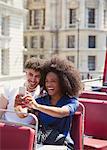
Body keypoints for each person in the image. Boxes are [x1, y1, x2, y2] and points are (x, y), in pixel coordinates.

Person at [15, 56, 83, 149]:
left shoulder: (71, 101)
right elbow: (23, 114)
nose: (49, 84)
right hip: (41, 143)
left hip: (62, 145)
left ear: (63, 82)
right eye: (46, 81)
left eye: (53, 81)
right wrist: (17, 106)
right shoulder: (41, 100)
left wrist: (37, 106)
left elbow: (61, 112)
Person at [0, 57, 44, 124]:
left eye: (37, 76)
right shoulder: (10, 87)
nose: (33, 79)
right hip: (7, 128)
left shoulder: (42, 94)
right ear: (25, 72)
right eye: (30, 74)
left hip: (28, 130)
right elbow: (1, 111)